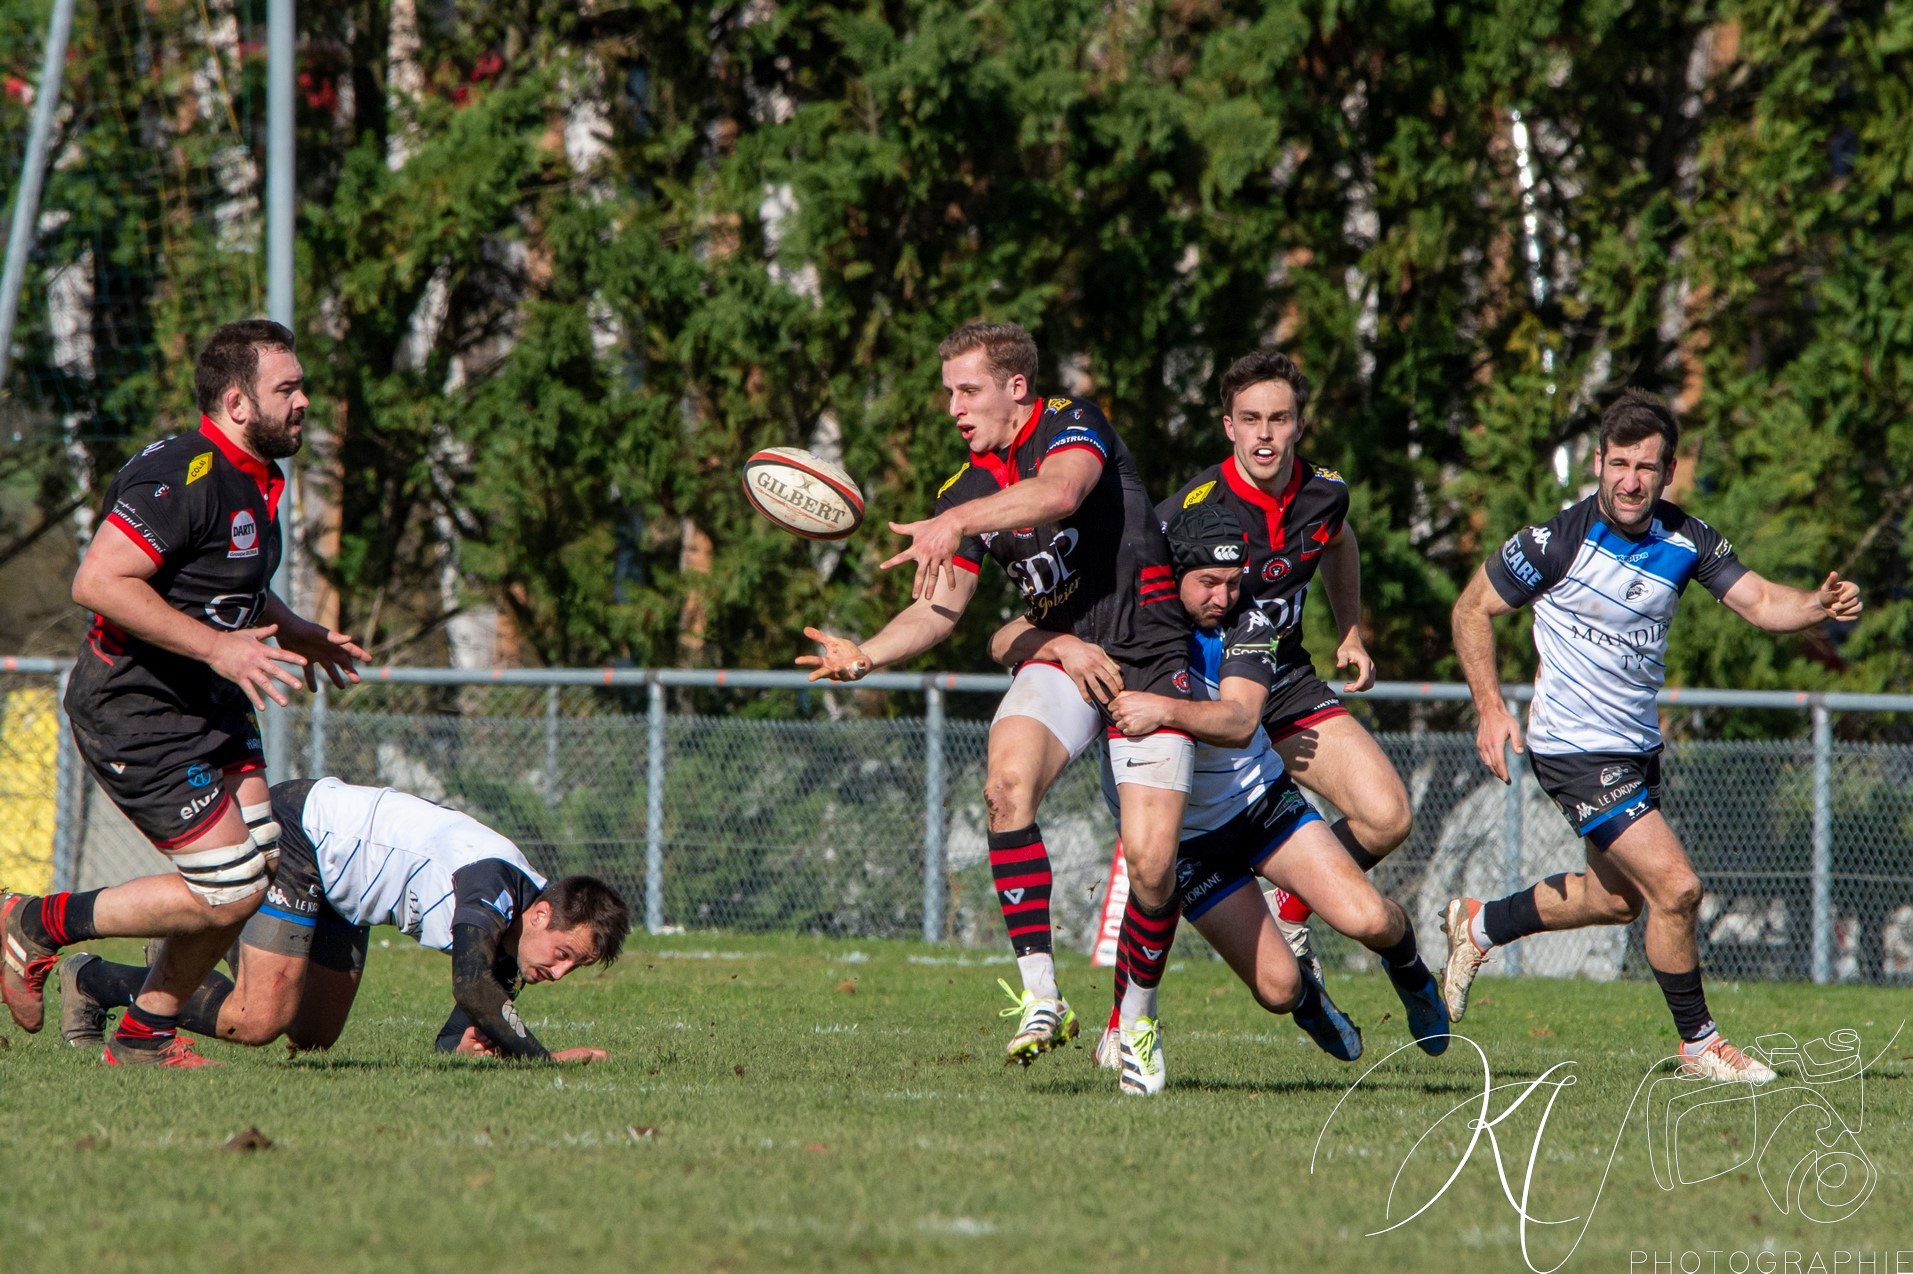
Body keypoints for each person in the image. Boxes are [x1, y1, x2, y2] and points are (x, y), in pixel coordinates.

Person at [799, 321, 1193, 1094]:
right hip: (1065, 652)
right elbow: (940, 611)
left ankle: (1133, 1020)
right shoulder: (963, 489)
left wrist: (955, 525)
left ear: (1017, 387)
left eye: (967, 389)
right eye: (948, 391)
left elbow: (1061, 491)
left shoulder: (1073, 424)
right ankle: (1042, 996)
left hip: (1149, 653)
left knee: (1150, 865)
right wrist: (867, 653)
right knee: (1004, 786)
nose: (952, 406)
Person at [1444, 389, 1862, 1083]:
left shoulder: (1685, 539)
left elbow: (1758, 602)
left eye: (1646, 466)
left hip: (1633, 746)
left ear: (1666, 473)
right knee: (1677, 889)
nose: (1631, 480)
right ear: (1598, 463)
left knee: (1613, 901)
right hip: (1573, 748)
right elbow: (1471, 608)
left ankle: (1478, 924)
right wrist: (1490, 708)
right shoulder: (1559, 541)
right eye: (1618, 463)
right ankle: (1699, 1045)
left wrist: (1816, 605)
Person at [2, 320, 366, 1068]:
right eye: (287, 389)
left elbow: (224, 584)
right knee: (230, 887)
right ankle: (34, 921)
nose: (304, 402)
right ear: (236, 402)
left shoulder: (258, 475)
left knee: (259, 861)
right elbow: (98, 582)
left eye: (302, 386)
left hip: (207, 700)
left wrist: (297, 631)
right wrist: (219, 648)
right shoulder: (182, 474)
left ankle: (145, 1034)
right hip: (137, 709)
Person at [996, 504, 1450, 1075]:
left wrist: (1160, 707)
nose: (1224, 596)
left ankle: (1409, 969)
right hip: (1188, 843)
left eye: (1233, 582)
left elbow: (1238, 722)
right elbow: (1004, 636)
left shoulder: (1249, 622)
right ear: (1171, 574)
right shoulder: (1121, 616)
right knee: (1278, 989)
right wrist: (1064, 646)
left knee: (1369, 920)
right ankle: (1311, 1003)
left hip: (1261, 806)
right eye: (1208, 582)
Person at [58, 778, 627, 1063]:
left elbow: (457, 1034)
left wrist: (471, 1051)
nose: (558, 972)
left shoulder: (518, 932)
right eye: (564, 954)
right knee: (259, 1021)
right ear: (543, 913)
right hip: (303, 837)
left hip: (343, 897)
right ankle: (94, 977)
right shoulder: (493, 884)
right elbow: (472, 986)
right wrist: (539, 1059)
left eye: (572, 965)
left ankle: (152, 963)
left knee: (313, 1037)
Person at [1163, 351, 1414, 982]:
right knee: (1151, 861)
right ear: (1229, 426)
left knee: (1388, 816)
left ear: (1300, 424)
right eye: (1250, 419)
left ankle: (1292, 903)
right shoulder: (1189, 509)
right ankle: (1127, 1018)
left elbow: (1339, 540)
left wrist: (1351, 629)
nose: (1265, 434)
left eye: (1279, 418)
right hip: (1206, 697)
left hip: (1286, 683)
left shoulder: (1325, 492)